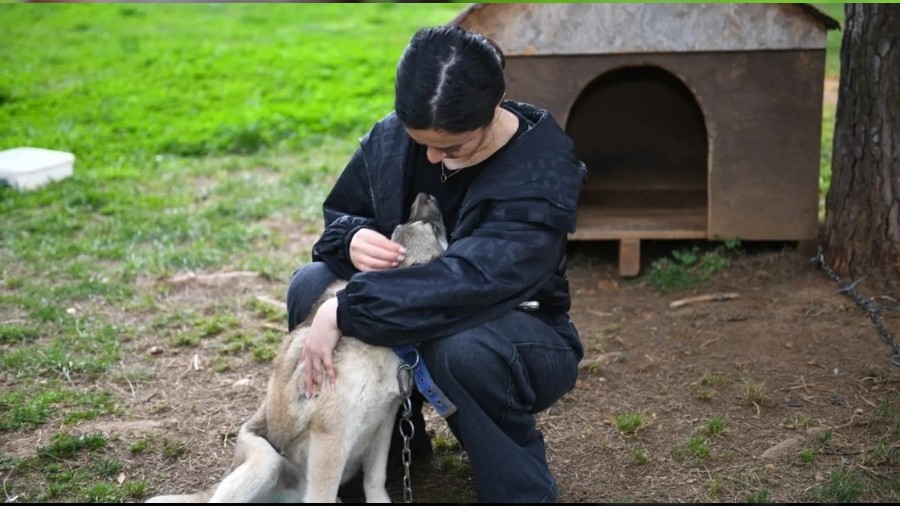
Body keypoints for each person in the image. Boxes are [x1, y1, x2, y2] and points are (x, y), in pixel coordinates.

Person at [286, 24, 586, 503]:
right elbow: (339, 217)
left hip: (517, 333)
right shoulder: (393, 137)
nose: (431, 156)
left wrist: (343, 310)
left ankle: (517, 486)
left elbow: (470, 282)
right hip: (407, 307)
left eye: (451, 147)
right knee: (310, 285)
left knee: (461, 348)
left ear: (497, 104)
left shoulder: (540, 172)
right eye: (419, 140)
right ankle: (375, 446)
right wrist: (353, 237)